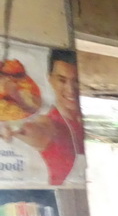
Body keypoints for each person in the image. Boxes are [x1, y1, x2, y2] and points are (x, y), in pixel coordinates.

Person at [7, 49, 84, 186]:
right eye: (62, 80)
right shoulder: (49, 124)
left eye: (76, 81)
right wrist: (14, 130)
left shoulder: (86, 122)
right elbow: (33, 129)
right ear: (50, 79)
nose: (70, 89)